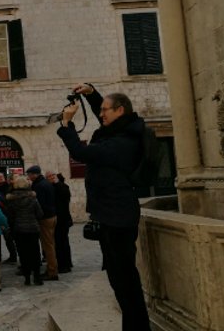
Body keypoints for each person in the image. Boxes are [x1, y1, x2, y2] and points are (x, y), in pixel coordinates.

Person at [57, 83, 151, 330]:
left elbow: (80, 152)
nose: (102, 114)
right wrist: (91, 93)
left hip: (118, 217)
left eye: (106, 110)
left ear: (120, 110)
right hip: (111, 215)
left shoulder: (123, 142)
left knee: (125, 281)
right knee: (118, 280)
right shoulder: (122, 131)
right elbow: (103, 116)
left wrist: (66, 124)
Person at [5, 176, 44, 286]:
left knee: (23, 253)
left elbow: (10, 216)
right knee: (35, 252)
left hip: (19, 229)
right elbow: (40, 214)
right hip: (33, 228)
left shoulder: (12, 200)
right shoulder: (33, 198)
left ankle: (27, 278)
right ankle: (37, 277)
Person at [26, 165, 59, 281]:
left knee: (48, 246)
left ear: (34, 174)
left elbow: (40, 205)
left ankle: (52, 272)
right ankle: (52, 268)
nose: (28, 177)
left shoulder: (39, 186)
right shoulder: (46, 183)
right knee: (50, 244)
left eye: (29, 174)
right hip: (52, 215)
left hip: (45, 218)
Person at [47, 171, 73, 273]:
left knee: (61, 242)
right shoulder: (54, 187)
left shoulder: (62, 186)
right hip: (60, 218)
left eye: (52, 176)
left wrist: (57, 183)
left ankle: (64, 265)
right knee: (62, 242)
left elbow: (65, 197)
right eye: (49, 177)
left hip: (62, 219)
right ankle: (66, 263)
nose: (51, 178)